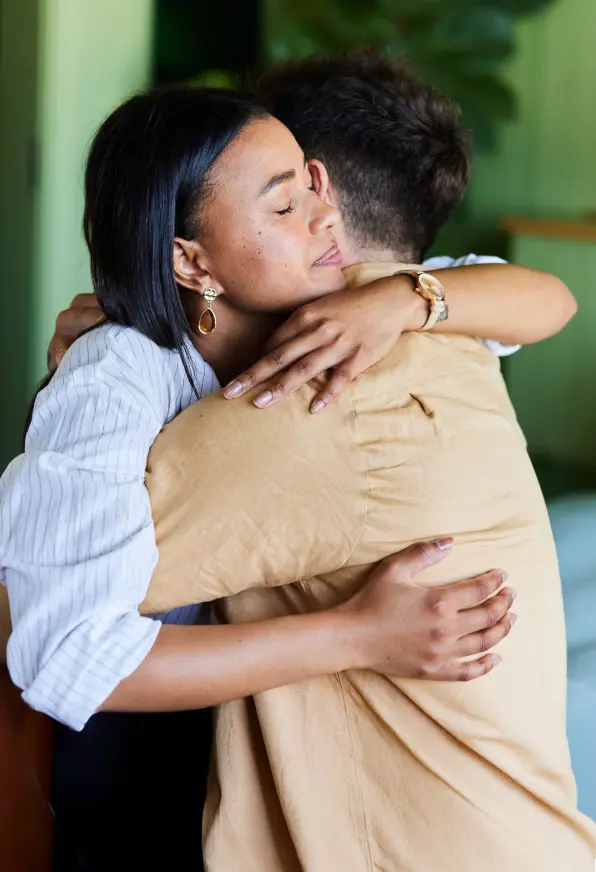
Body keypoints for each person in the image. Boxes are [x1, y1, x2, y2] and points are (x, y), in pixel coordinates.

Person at [0, 59, 584, 868]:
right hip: (133, 731)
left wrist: (406, 300)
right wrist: (358, 633)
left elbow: (549, 298)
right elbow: (68, 656)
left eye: (315, 186)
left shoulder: (345, 304)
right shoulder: (114, 377)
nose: (325, 216)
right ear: (192, 264)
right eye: (285, 203)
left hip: (224, 700)